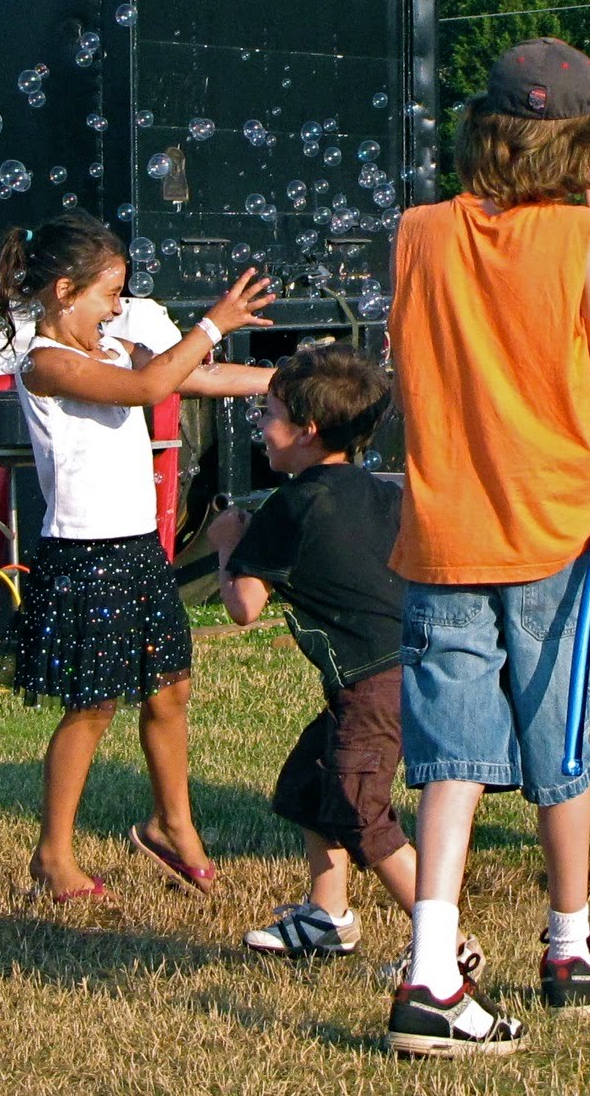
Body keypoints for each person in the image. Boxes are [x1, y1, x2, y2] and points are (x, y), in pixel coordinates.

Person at [383, 38, 590, 1056]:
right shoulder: (573, 234)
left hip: (443, 523)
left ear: (480, 132)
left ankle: (430, 968)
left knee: (449, 748)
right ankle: (569, 946)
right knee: (554, 732)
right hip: (549, 521)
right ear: (584, 148)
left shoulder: (416, 231)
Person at [0, 209, 276, 903]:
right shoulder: (46, 363)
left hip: (138, 551)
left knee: (170, 688)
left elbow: (189, 380)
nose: (118, 308)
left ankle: (172, 826)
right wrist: (212, 322)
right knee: (92, 706)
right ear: (64, 291)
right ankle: (53, 855)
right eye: (110, 294)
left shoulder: (114, 348)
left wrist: (285, 383)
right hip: (84, 556)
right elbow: (153, 390)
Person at [206, 345, 484, 976]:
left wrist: (229, 545)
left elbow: (244, 606)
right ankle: (326, 917)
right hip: (414, 662)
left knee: (361, 810)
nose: (259, 423)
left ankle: (445, 946)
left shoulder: (291, 504)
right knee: (312, 778)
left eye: (269, 412)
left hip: (370, 684)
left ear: (306, 432)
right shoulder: (377, 491)